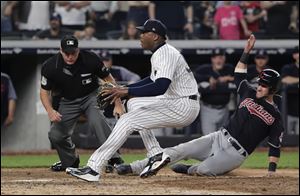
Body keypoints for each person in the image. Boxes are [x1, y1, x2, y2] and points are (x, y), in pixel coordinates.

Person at [116, 35, 284, 178]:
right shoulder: (250, 92)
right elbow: (239, 74)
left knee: (204, 170)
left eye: (265, 85)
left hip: (235, 153)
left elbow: (275, 144)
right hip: (218, 137)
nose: (260, 86)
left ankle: (191, 169)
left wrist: (271, 172)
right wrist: (246, 52)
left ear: (274, 89)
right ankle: (134, 167)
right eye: (260, 82)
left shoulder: (275, 115)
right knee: (178, 150)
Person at [66, 19, 200, 182]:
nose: (140, 35)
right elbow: (151, 80)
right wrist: (125, 91)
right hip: (177, 101)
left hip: (182, 105)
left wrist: (126, 90)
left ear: (155, 36)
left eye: (144, 32)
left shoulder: (164, 53)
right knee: (133, 103)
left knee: (127, 121)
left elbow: (160, 87)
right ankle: (155, 154)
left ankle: (94, 167)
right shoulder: (163, 52)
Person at [40, 35, 124, 172]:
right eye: (66, 53)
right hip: (67, 101)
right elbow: (44, 92)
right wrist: (50, 111)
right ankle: (70, 161)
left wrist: (118, 104)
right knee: (55, 134)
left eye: (73, 53)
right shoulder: (50, 66)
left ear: (78, 50)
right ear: (60, 50)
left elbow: (109, 80)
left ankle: (114, 158)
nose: (70, 57)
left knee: (97, 121)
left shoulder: (90, 59)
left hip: (91, 96)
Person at [194, 48, 234, 135]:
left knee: (222, 139)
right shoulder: (204, 69)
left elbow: (241, 78)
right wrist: (208, 78)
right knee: (209, 139)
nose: (218, 60)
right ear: (212, 59)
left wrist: (228, 78)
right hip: (208, 109)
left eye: (220, 57)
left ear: (224, 58)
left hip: (224, 109)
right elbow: (191, 76)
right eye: (215, 58)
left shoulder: (229, 69)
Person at [281, 46, 299, 135]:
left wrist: (294, 80)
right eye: (297, 53)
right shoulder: (288, 68)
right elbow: (284, 79)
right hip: (289, 112)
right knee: (286, 140)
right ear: (294, 55)